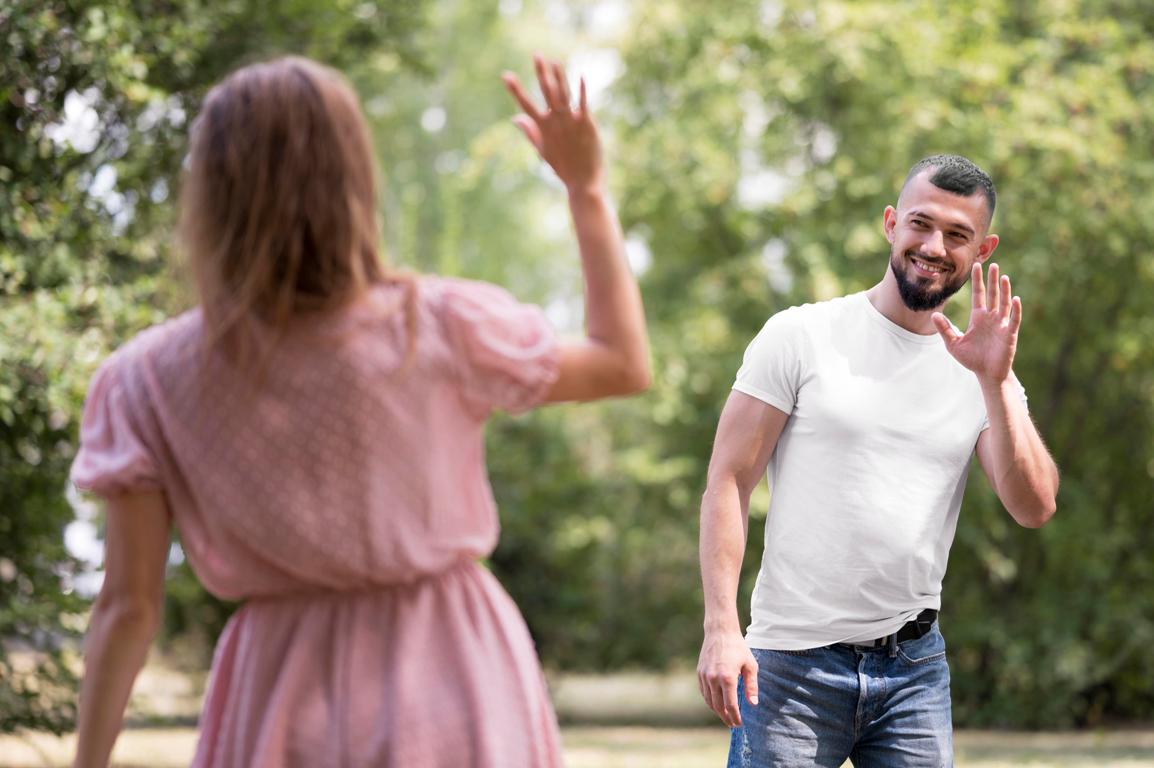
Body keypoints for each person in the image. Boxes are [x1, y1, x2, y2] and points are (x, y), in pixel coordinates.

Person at [69, 54, 648, 768]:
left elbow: (129, 608)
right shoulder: (436, 327)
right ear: (352, 178)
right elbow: (622, 363)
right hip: (453, 678)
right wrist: (586, 189)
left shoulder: (145, 381)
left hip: (274, 697)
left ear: (210, 192)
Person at [696, 155, 1059, 767]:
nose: (934, 246)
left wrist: (995, 383)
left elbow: (1034, 506)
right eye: (921, 224)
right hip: (790, 665)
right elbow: (728, 483)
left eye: (957, 234)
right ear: (891, 223)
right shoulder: (801, 336)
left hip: (913, 670)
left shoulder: (982, 368)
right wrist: (720, 628)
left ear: (983, 249)